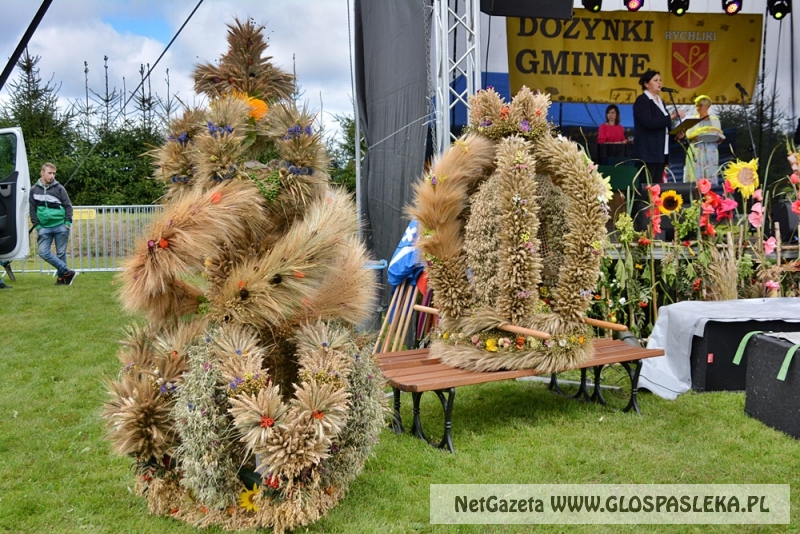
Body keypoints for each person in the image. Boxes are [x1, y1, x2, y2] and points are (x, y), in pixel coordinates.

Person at [30, 163, 78, 285]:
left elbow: (68, 206)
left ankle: (61, 279)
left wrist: (67, 223)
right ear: (42, 172)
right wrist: (38, 226)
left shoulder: (59, 188)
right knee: (43, 252)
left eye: (54, 173)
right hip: (43, 227)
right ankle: (68, 272)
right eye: (49, 173)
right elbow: (32, 209)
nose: (52, 176)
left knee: (61, 253)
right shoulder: (34, 189)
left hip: (60, 225)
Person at [633, 69, 684, 183]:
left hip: (660, 152)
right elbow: (649, 123)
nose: (659, 83)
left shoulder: (660, 102)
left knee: (656, 186)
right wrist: (672, 116)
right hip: (648, 152)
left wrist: (674, 137)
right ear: (646, 84)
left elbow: (662, 128)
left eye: (660, 80)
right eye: (655, 80)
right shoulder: (642, 101)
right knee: (646, 186)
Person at [683, 95, 725, 185]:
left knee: (709, 179)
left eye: (701, 105)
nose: (698, 107)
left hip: (710, 150)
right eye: (697, 105)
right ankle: (696, 198)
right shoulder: (692, 119)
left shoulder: (714, 119)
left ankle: (709, 198)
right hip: (697, 149)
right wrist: (695, 136)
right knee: (696, 179)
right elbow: (688, 135)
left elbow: (718, 135)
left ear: (707, 106)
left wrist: (719, 139)